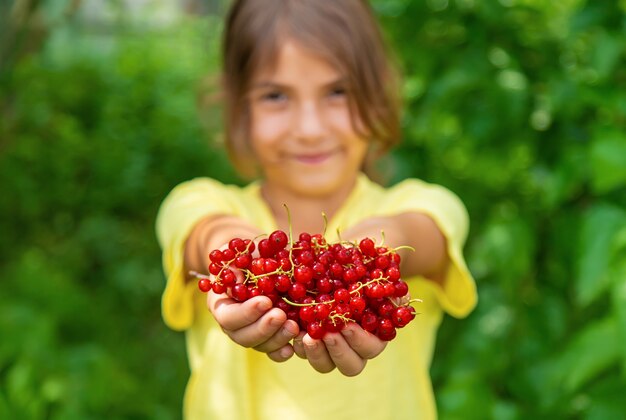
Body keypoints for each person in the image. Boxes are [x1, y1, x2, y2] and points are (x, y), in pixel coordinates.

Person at [156, 1, 477, 419]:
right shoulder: (201, 201)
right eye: (275, 96)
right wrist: (239, 261)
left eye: (337, 92)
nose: (310, 128)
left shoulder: (415, 204)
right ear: (238, 108)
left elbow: (427, 233)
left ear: (377, 98)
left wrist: (378, 254)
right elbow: (203, 234)